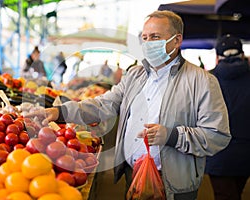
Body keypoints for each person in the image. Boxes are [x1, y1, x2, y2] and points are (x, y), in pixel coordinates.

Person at [26, 10, 231, 200]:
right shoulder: (135, 75)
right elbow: (103, 104)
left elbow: (217, 136)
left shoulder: (202, 81)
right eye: (145, 38)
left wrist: (172, 136)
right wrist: (61, 112)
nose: (148, 43)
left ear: (176, 40)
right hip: (132, 175)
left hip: (173, 185)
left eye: (155, 37)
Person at [205, 34, 250, 200]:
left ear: (218, 57)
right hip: (246, 153)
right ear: (242, 54)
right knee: (236, 193)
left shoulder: (207, 80)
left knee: (224, 195)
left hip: (218, 154)